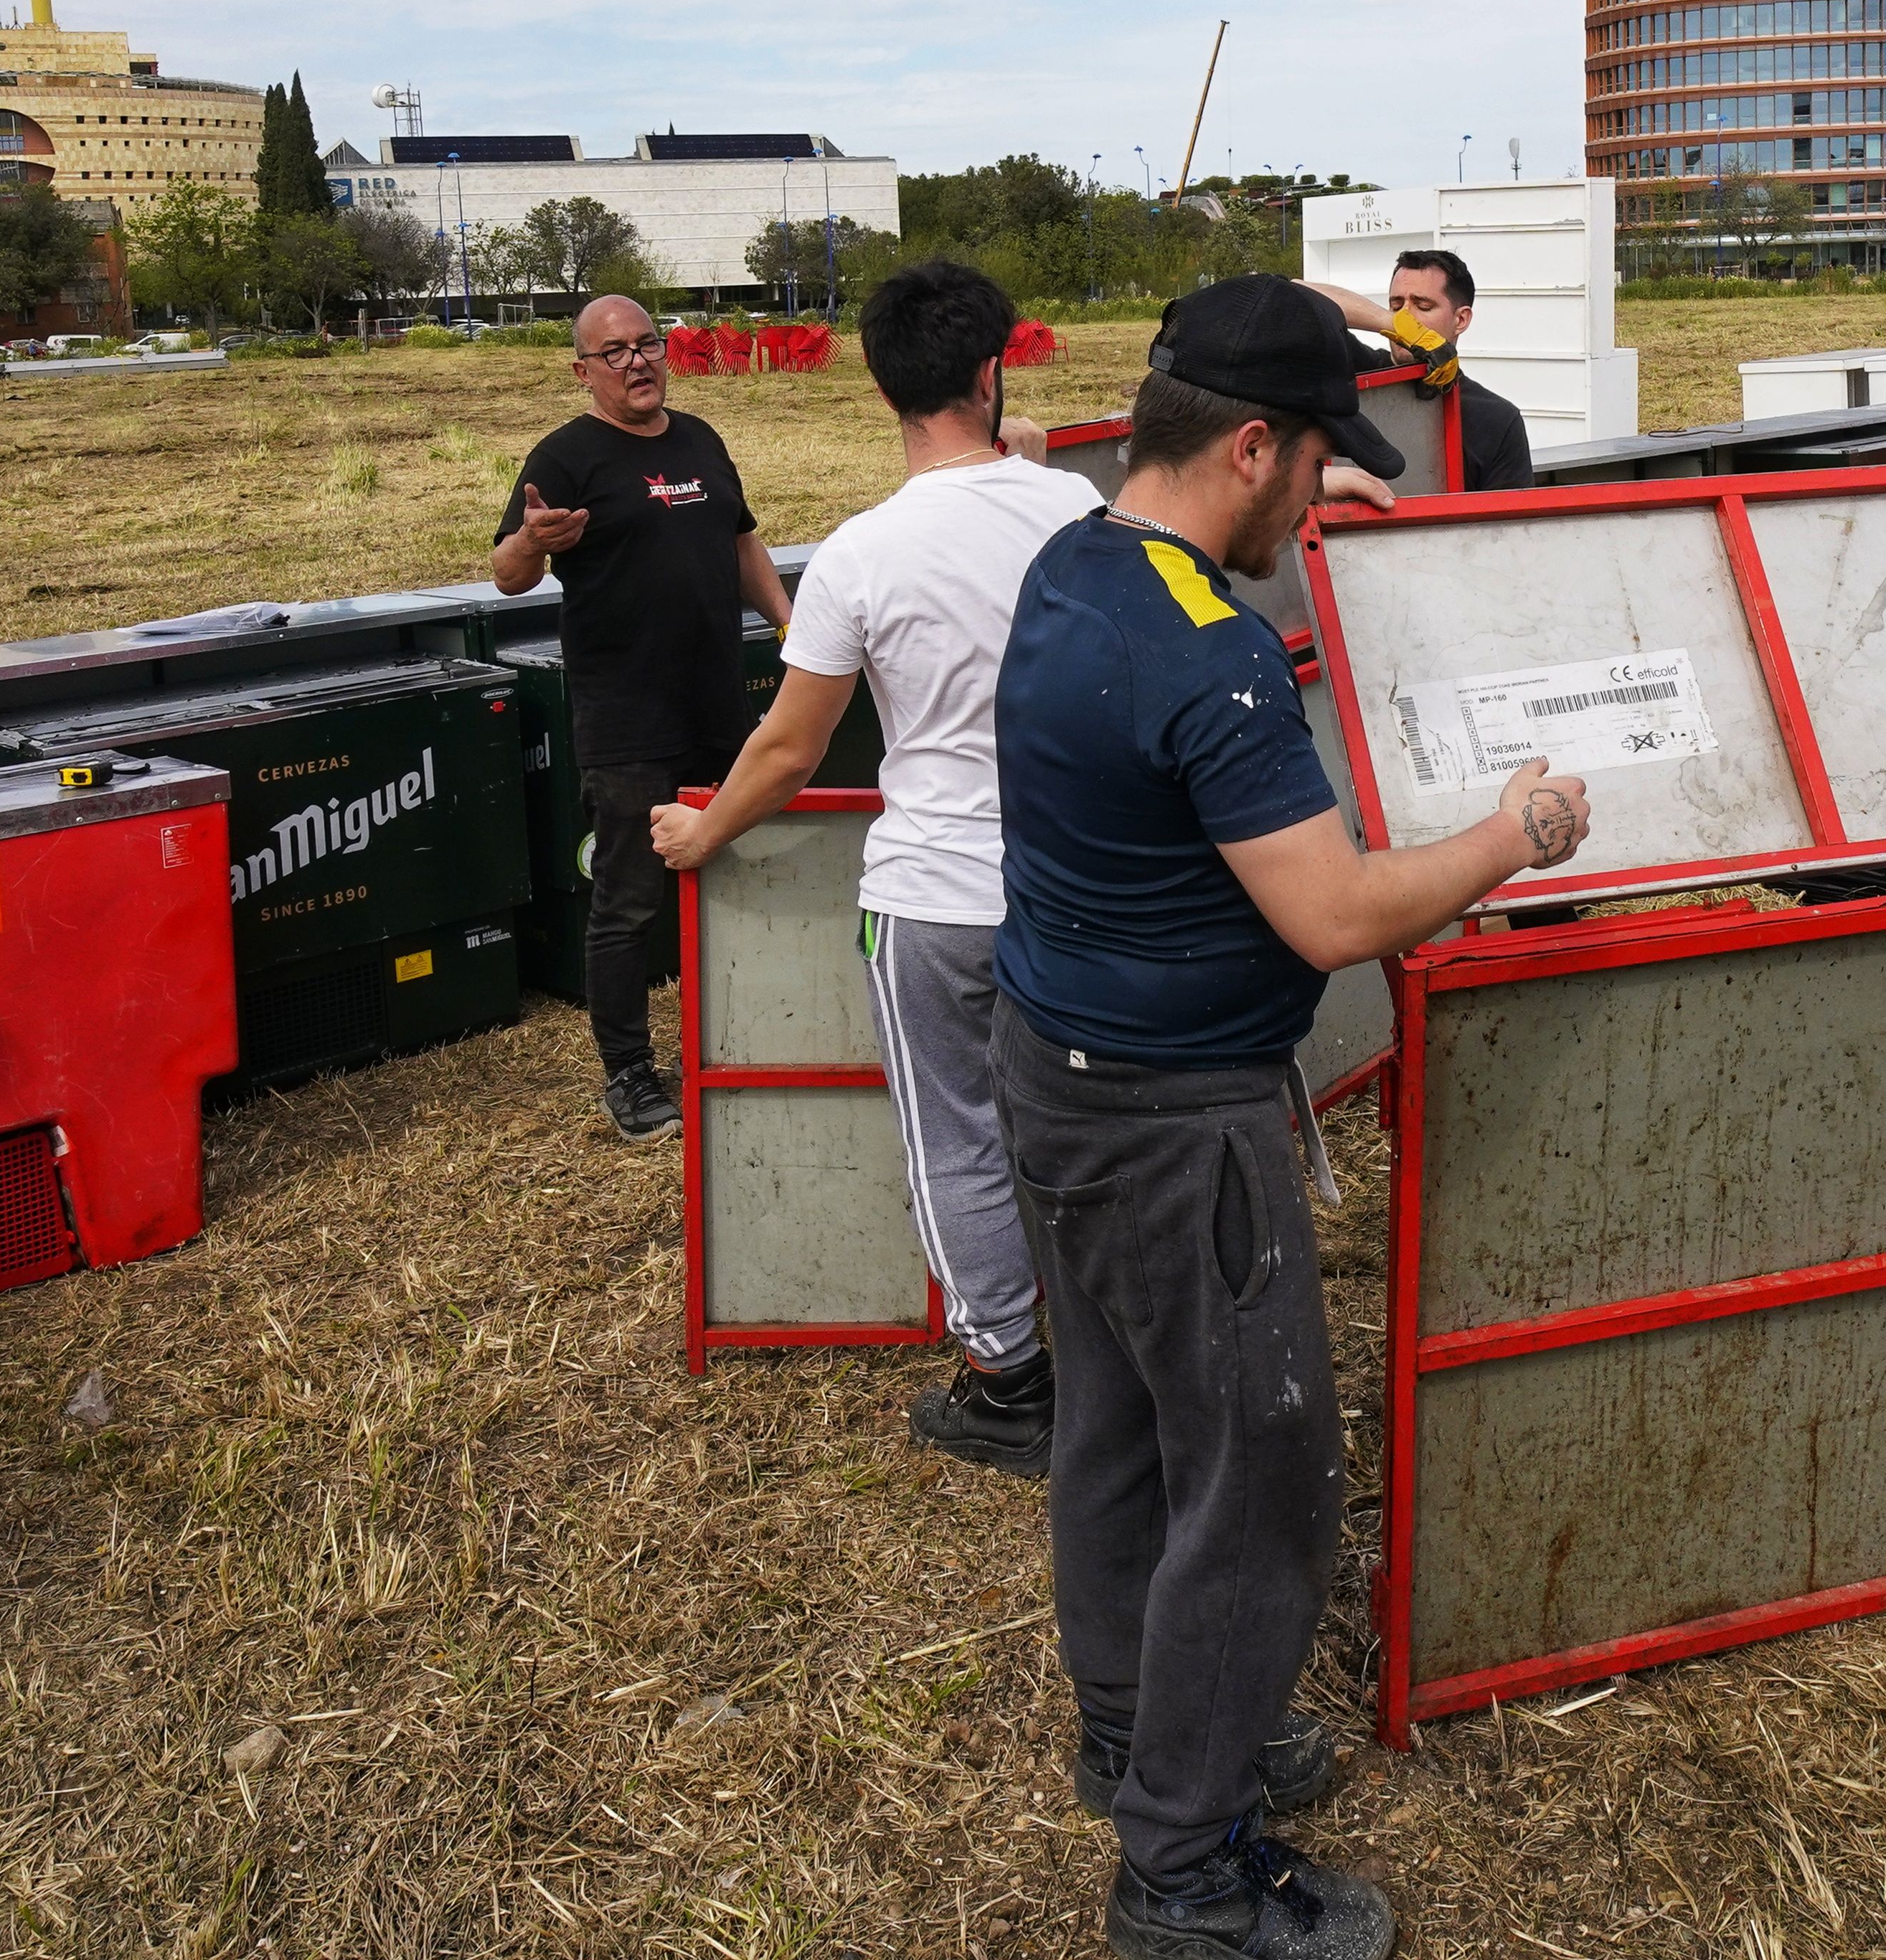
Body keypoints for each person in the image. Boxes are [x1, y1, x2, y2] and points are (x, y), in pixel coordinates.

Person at [995, 273, 1595, 1959]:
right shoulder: (1218, 656)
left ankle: (1133, 1730)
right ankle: (1184, 1867)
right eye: (1315, 451)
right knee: (1259, 1489)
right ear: (1248, 443)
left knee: (1115, 1435)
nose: (1326, 483)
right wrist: (1515, 835)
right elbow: (1333, 918)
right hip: (1181, 1130)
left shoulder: (1074, 563)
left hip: (1059, 1075)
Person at [650, 260, 1104, 1476]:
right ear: (993, 371)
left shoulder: (858, 556)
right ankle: (1122, 1359)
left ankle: (1011, 1381)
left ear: (881, 387)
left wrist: (703, 835)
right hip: (1079, 890)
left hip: (934, 904)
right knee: (1095, 1128)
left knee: (955, 1137)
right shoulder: (1079, 516)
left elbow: (791, 746)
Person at [490, 293, 794, 1142]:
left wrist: (786, 621)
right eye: (614, 351)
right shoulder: (566, 455)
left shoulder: (702, 440)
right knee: (627, 900)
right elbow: (507, 574)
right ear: (583, 369)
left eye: (647, 344)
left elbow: (740, 542)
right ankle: (629, 1072)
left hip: (717, 705)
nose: (636, 362)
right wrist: (535, 541)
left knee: (737, 873)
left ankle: (750, 1036)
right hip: (625, 716)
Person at [1373, 248, 1534, 491]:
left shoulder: (1496, 420)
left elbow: (1508, 526)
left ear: (1461, 320)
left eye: (1423, 306)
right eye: (1396, 307)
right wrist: (1384, 321)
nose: (1404, 320)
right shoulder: (1354, 372)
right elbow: (1297, 294)